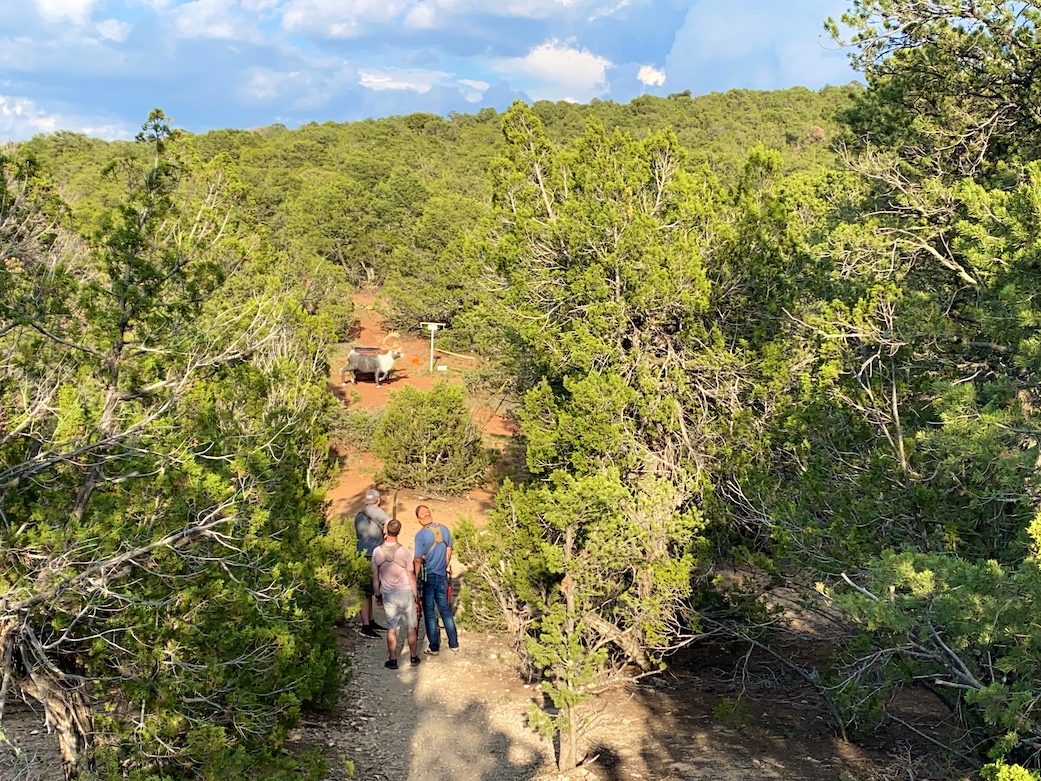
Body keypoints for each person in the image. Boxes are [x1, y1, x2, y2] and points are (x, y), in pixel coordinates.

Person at [371, 519, 421, 669]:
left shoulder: (377, 552)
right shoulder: (405, 552)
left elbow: (375, 576)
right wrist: (416, 595)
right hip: (405, 592)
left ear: (386, 531)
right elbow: (411, 576)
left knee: (392, 628)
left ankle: (392, 660)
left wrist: (377, 594)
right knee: (411, 626)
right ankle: (413, 657)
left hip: (389, 594)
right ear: (399, 531)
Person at [413, 505, 459, 656]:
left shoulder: (421, 535)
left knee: (429, 612)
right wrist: (444, 565)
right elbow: (449, 549)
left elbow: (418, 560)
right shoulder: (443, 529)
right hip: (441, 575)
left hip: (429, 577)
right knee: (445, 608)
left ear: (419, 519)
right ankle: (454, 643)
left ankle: (434, 646)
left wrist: (415, 578)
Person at [355, 488, 389, 638]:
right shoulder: (377, 511)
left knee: (367, 592)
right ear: (378, 500)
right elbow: (390, 522)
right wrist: (387, 533)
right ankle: (366, 626)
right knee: (366, 592)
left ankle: (370, 620)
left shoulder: (359, 515)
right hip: (372, 555)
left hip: (361, 555)